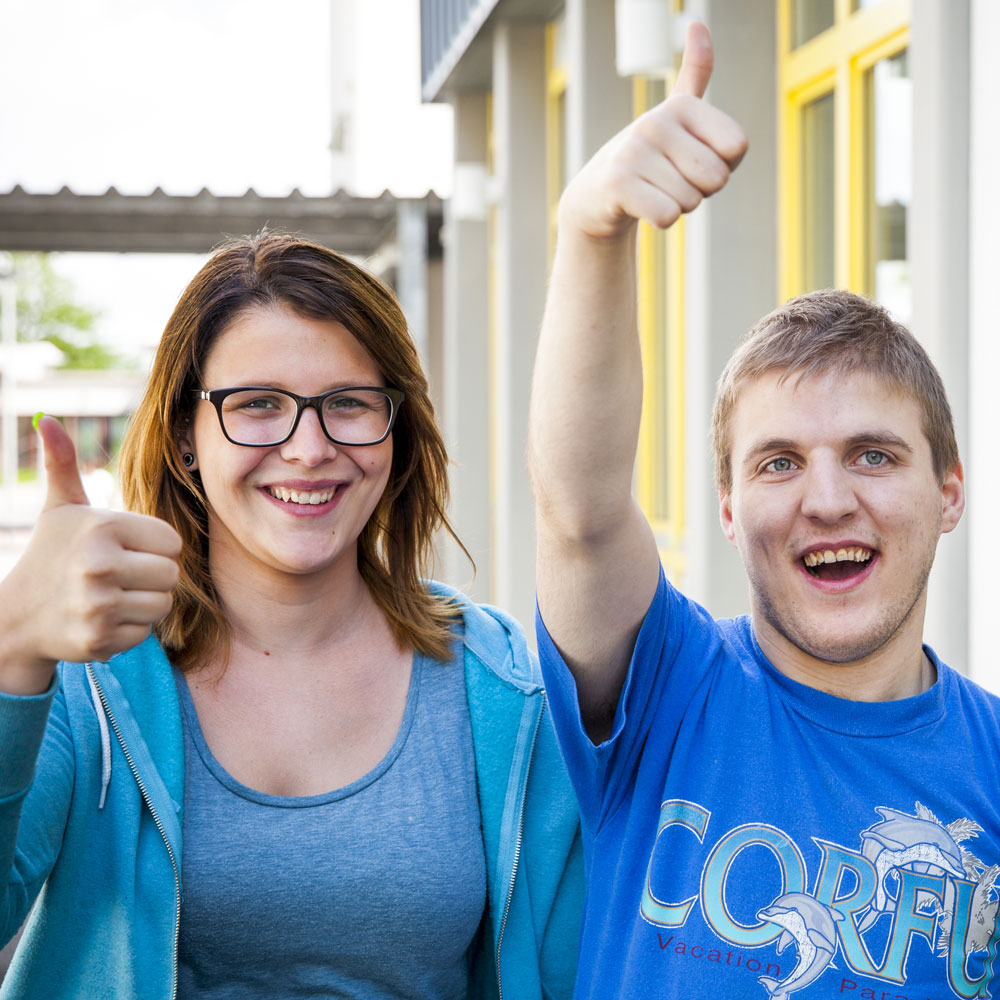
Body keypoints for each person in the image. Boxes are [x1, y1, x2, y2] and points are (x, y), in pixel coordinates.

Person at [527, 20, 1000, 1000]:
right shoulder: (667, 690)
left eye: (873, 454)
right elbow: (579, 510)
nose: (828, 499)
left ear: (947, 490)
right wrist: (592, 229)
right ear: (730, 507)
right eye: (779, 462)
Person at [0, 231, 582, 1000]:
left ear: (396, 431)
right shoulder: (90, 680)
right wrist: (13, 647)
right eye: (258, 406)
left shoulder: (503, 688)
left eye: (347, 403)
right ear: (185, 440)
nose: (308, 448)